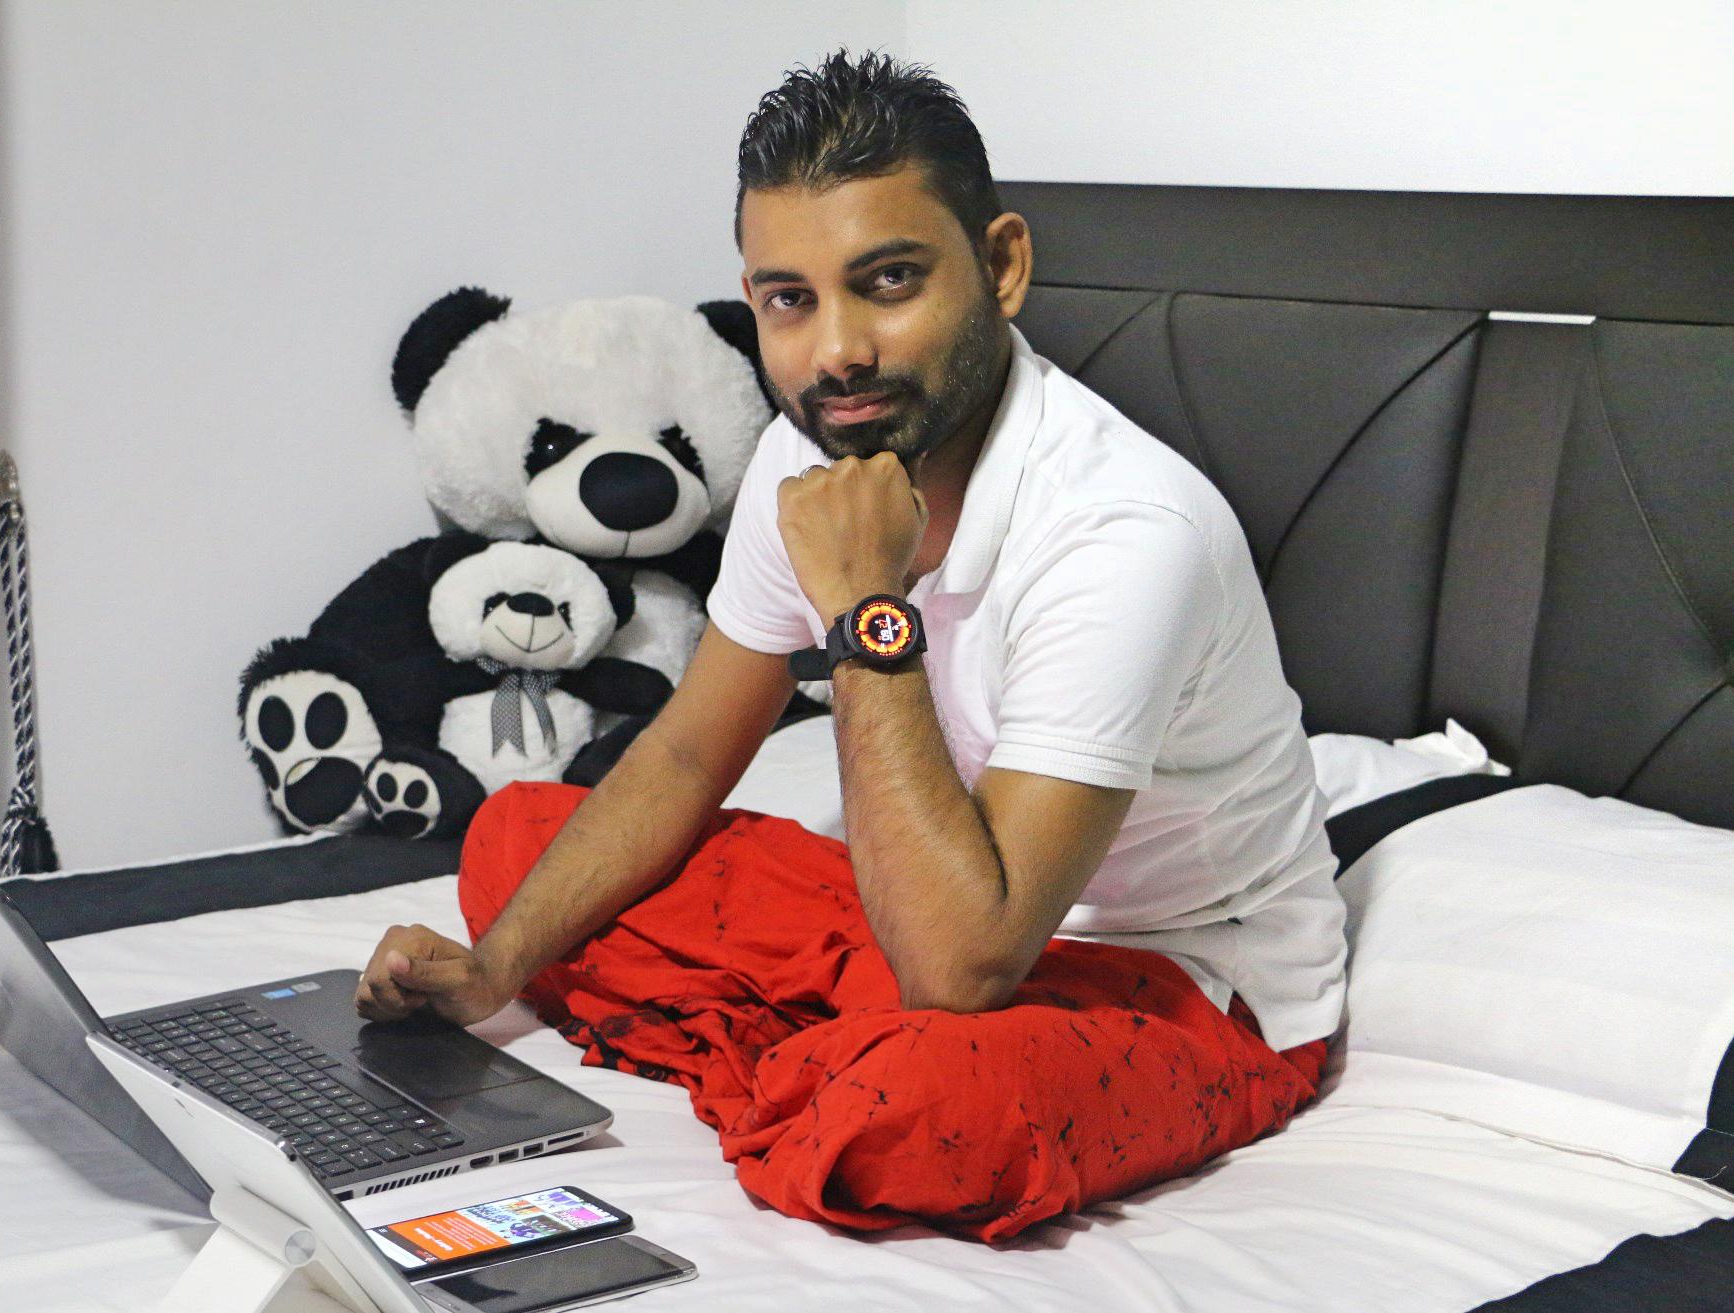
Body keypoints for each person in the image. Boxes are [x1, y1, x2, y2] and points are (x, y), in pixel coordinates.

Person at [355, 49, 1347, 1242]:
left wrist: (865, 602)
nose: (836, 351)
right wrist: (493, 968)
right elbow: (684, 756)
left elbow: (958, 971)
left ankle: (825, 1069)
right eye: (790, 299)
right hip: (935, 912)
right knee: (519, 839)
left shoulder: (1125, 531)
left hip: (1176, 981)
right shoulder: (810, 450)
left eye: (886, 281)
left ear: (1000, 266)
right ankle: (816, 1066)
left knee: (914, 1103)